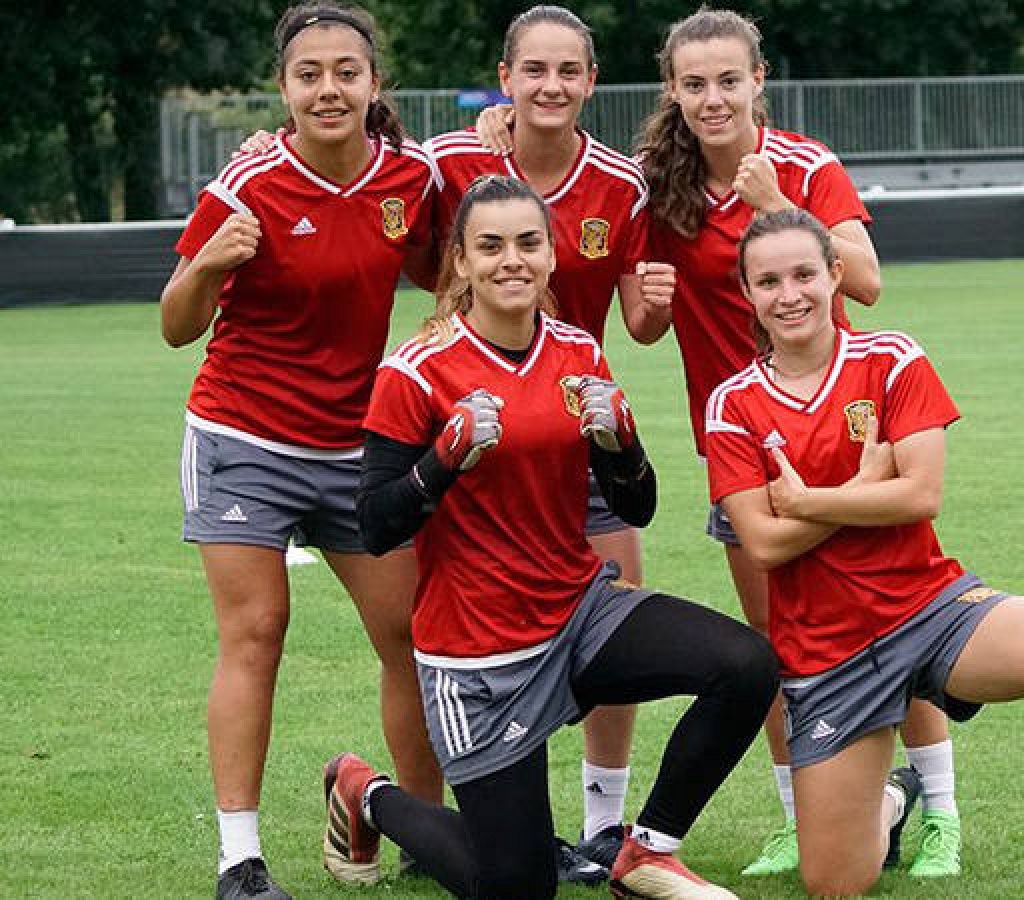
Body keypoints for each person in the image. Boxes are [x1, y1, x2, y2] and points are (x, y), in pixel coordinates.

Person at [238, 6, 676, 880]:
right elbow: (369, 175)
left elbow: (638, 317)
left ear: (591, 82)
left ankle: (603, 825)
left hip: (578, 420)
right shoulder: (449, 160)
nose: (551, 86)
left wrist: (655, 308)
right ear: (505, 77)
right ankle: (433, 809)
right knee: (460, 629)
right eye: (533, 70)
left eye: (568, 71)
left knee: (613, 614)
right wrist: (269, 150)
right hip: (475, 426)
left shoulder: (622, 183)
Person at [320, 174, 778, 900]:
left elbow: (639, 502)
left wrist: (622, 444)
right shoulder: (414, 371)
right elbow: (374, 526)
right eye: (491, 246)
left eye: (529, 243)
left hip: (578, 613)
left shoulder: (577, 354)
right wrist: (442, 462)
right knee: (519, 888)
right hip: (479, 655)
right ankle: (365, 793)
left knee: (746, 665)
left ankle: (646, 851)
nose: (512, 260)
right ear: (461, 264)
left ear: (552, 255)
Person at [632, 7, 961, 878]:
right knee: (780, 641)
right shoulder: (658, 184)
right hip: (742, 446)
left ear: (758, 82)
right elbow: (639, 323)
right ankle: (796, 815)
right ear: (673, 89)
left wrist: (776, 203)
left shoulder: (806, 165)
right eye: (694, 83)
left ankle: (941, 813)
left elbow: (872, 284)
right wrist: (654, 304)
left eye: (728, 81)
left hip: (846, 440)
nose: (712, 99)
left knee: (895, 620)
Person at [705, 208, 1024, 899]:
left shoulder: (891, 359)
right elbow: (766, 545)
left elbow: (920, 494)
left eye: (804, 273)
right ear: (747, 293)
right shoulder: (733, 404)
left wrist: (808, 501)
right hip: (829, 653)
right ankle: (895, 803)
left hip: (928, 607)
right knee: (834, 883)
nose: (790, 294)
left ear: (835, 274)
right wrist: (861, 489)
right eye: (768, 281)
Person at [158, 5, 435, 897]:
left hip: (357, 448)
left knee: (412, 637)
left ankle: (425, 838)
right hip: (243, 438)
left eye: (346, 71)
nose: (329, 88)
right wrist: (206, 264)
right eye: (309, 73)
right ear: (284, 89)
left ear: (373, 85)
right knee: (256, 634)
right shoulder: (249, 182)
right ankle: (239, 859)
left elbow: (442, 263)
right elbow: (176, 325)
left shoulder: (411, 177)